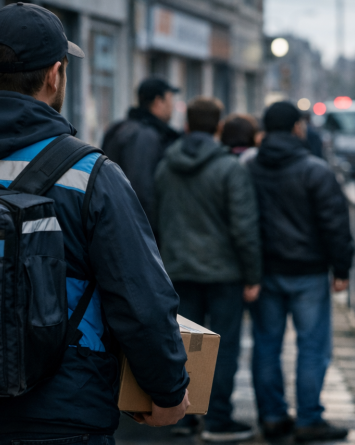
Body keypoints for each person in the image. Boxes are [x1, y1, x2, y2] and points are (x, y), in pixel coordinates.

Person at [0, 4, 190, 442]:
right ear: (55, 75)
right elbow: (139, 298)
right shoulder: (89, 173)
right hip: (64, 415)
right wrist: (168, 390)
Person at [245, 101, 354, 442]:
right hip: (307, 271)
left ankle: (273, 417)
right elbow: (334, 224)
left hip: (264, 269)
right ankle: (309, 418)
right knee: (312, 346)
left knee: (266, 345)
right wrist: (341, 268)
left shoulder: (248, 167)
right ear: (297, 128)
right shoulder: (315, 169)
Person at [154, 98, 262, 441]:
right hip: (223, 273)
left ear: (187, 125)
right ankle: (218, 419)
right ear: (217, 128)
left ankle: (184, 416)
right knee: (225, 346)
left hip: (179, 270)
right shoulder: (230, 168)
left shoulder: (166, 166)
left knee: (185, 347)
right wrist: (253, 275)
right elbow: (244, 227)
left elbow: (155, 219)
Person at [101, 77, 181, 233]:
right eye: (170, 100)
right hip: (134, 229)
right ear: (159, 101)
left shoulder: (119, 128)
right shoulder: (145, 136)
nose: (172, 107)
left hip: (114, 221)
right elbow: (141, 189)